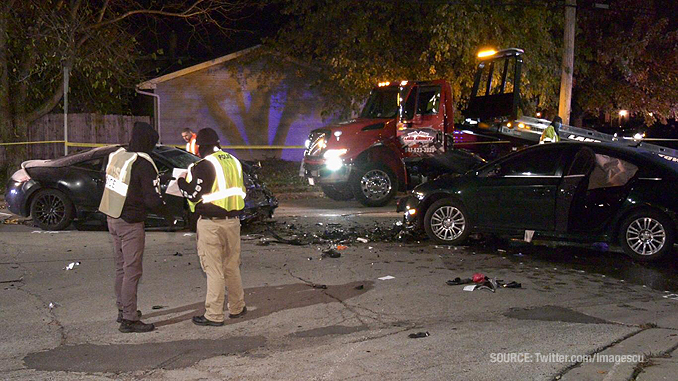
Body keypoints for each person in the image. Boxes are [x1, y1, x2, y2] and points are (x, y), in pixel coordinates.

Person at [99, 122, 174, 333]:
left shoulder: (119, 156)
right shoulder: (143, 163)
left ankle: (123, 310)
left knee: (121, 268)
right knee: (132, 270)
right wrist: (168, 214)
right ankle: (129, 320)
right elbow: (151, 200)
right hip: (131, 223)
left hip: (112, 217)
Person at [177, 128, 247, 326]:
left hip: (211, 224)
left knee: (214, 270)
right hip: (233, 221)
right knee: (232, 266)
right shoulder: (233, 161)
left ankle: (214, 315)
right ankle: (237, 307)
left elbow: (193, 194)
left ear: (201, 146)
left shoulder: (204, 165)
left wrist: (181, 182)